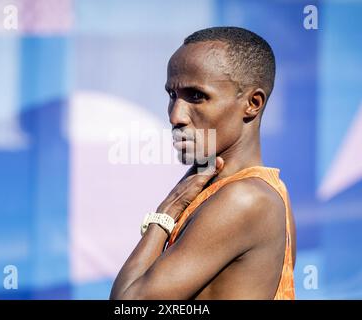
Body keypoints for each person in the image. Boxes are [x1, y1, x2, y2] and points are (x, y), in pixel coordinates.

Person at [110, 26, 296, 300]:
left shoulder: (244, 198)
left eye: (196, 96)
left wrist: (169, 208)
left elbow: (128, 303)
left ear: (252, 103)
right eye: (172, 96)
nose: (176, 116)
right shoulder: (254, 190)